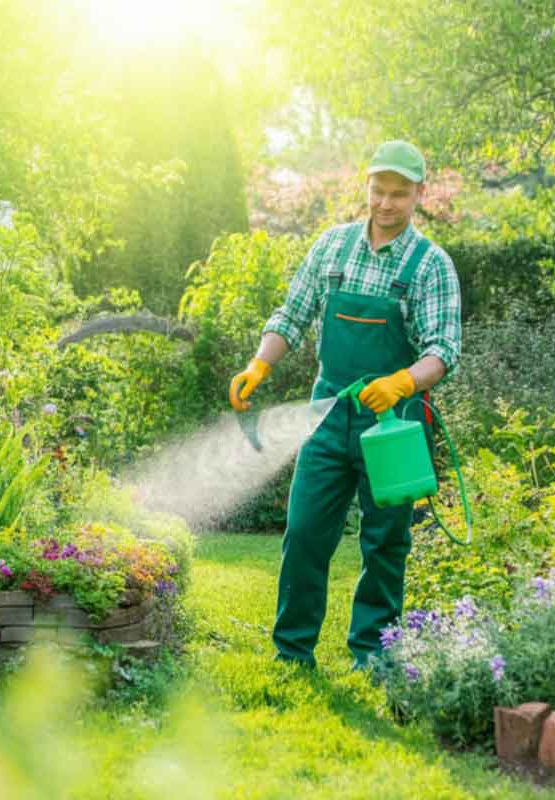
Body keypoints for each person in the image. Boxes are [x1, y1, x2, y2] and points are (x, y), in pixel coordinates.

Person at [229, 140, 461, 670]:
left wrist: (403, 381)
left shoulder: (431, 265)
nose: (385, 203)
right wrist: (259, 365)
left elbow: (443, 351)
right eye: (378, 191)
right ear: (367, 187)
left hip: (396, 423)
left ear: (418, 194)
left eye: (399, 194)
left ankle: (372, 657)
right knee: (307, 529)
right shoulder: (332, 248)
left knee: (385, 542)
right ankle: (292, 651)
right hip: (328, 415)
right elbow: (291, 315)